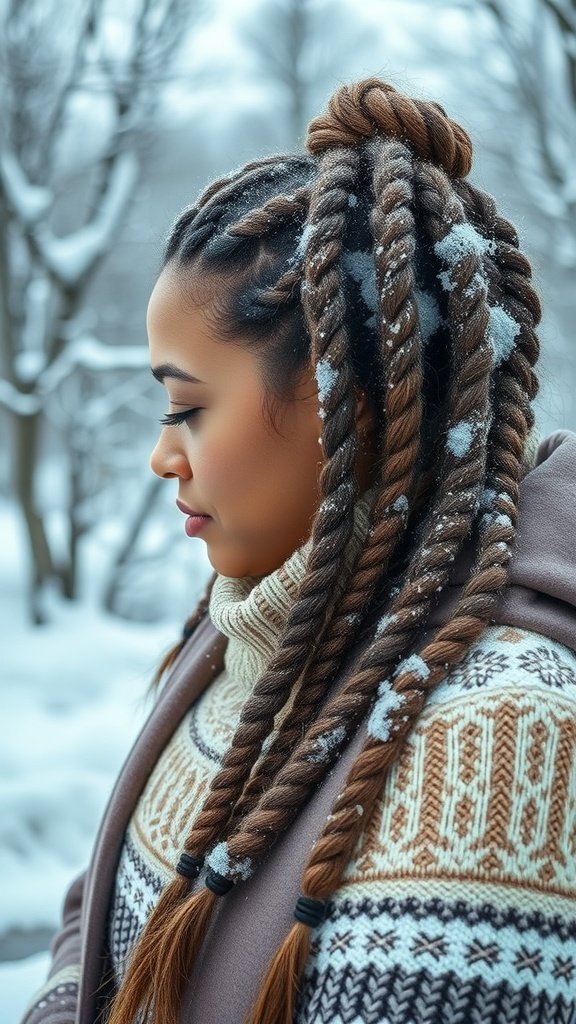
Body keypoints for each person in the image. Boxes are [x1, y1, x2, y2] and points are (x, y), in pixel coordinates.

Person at [22, 78, 576, 1024]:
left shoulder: (502, 740)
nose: (162, 455)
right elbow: (104, 890)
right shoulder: (252, 624)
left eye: (188, 407)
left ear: (347, 414)